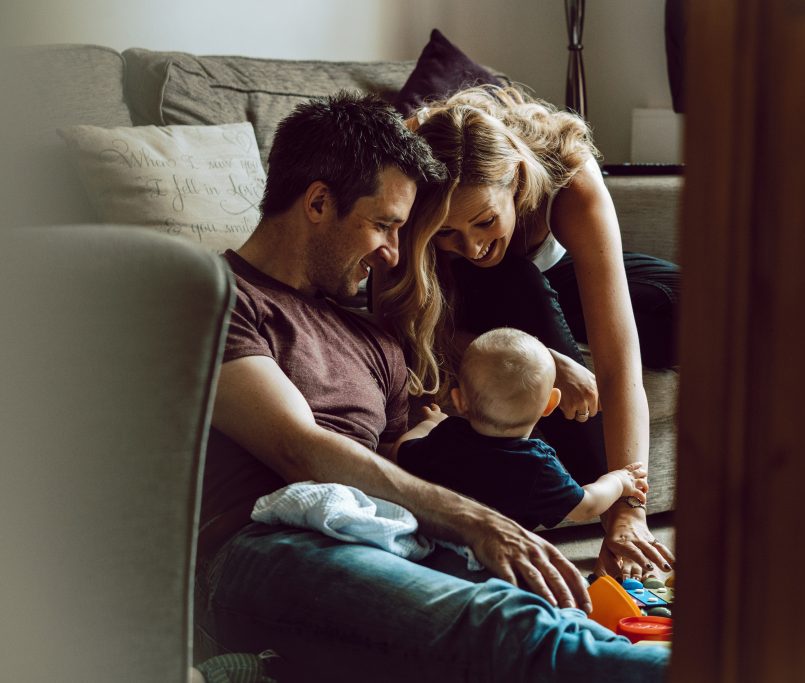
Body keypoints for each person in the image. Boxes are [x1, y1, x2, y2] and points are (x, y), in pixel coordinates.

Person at [195, 91, 669, 682]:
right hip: (265, 548)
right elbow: (299, 446)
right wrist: (476, 522)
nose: (395, 253)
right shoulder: (214, 295)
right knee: (509, 631)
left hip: (378, 542)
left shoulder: (372, 339)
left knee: (555, 615)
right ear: (318, 202)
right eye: (383, 225)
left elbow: (415, 457)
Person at [377, 85, 679, 581]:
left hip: (564, 278)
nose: (472, 246)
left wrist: (632, 515)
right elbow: (398, 324)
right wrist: (543, 358)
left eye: (484, 221)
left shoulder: (569, 175)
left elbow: (617, 358)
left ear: (516, 179)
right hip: (493, 300)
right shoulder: (408, 174)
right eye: (447, 234)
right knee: (515, 277)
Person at [395, 327, 650, 531]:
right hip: (503, 559)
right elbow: (586, 506)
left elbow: (401, 450)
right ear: (550, 405)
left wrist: (429, 424)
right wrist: (618, 480)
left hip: (440, 543)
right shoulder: (538, 466)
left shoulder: (446, 437)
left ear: (460, 401)